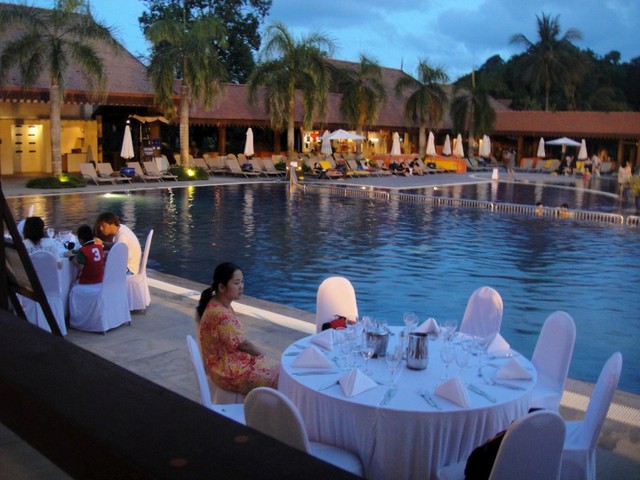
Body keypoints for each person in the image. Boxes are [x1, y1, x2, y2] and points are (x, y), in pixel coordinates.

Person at [196, 262, 279, 394]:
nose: (241, 287)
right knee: (279, 377)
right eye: (236, 283)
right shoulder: (221, 314)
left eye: (242, 282)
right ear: (222, 287)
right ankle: (263, 405)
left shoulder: (218, 303)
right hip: (226, 371)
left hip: (225, 363)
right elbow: (244, 345)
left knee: (277, 369)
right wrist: (263, 355)